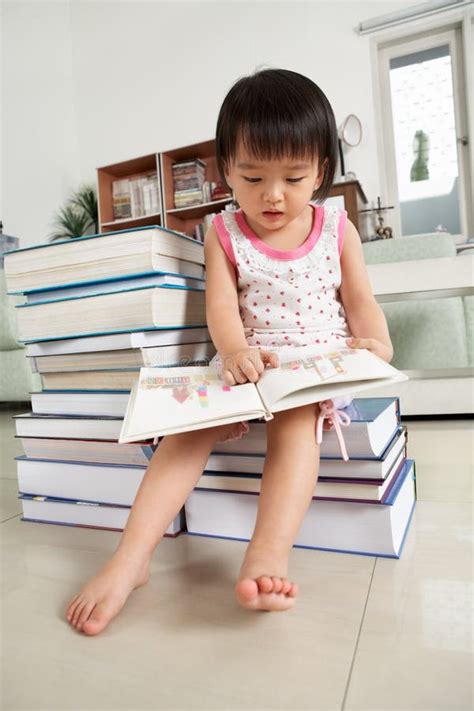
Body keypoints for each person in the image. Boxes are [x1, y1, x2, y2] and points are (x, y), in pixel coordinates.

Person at [66, 68, 393, 635]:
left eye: (293, 177)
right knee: (187, 432)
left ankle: (266, 555)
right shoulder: (222, 232)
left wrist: (378, 343)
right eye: (252, 175)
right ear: (224, 172)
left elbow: (360, 301)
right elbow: (221, 308)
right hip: (247, 361)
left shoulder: (338, 228)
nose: (272, 194)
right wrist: (237, 351)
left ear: (321, 169)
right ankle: (131, 558)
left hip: (311, 367)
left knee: (295, 433)